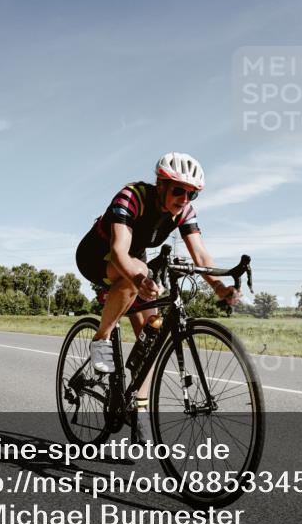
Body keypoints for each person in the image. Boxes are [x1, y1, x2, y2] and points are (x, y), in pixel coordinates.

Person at [75, 152, 239, 394]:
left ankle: (138, 409)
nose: (184, 199)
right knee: (139, 272)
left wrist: (219, 287)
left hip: (134, 261)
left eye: (191, 194)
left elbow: (201, 256)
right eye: (178, 191)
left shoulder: (184, 211)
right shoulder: (132, 196)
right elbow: (119, 250)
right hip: (97, 257)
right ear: (160, 185)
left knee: (151, 339)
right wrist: (140, 279)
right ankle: (101, 339)